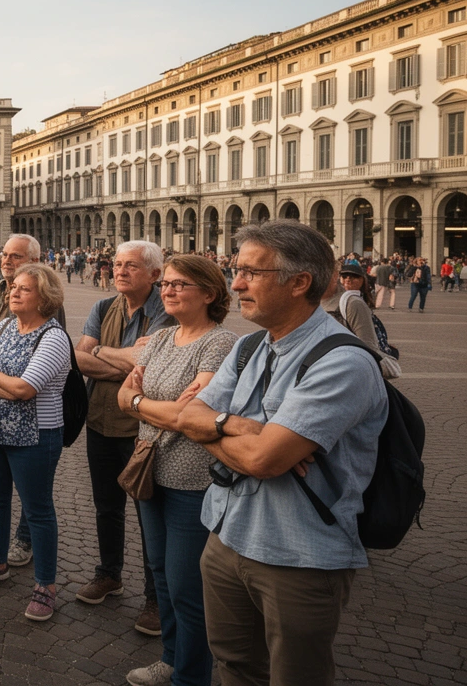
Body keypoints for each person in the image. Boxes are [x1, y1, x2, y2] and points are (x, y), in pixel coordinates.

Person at [175, 221, 386, 686]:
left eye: (251, 272)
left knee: (295, 676)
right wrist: (235, 425)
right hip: (226, 535)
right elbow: (187, 416)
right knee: (234, 666)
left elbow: (262, 461)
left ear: (299, 282)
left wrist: (219, 430)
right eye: (237, 270)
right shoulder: (249, 346)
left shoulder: (343, 361)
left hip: (298, 554)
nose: (236, 284)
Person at [116, 256, 239, 686]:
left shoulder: (220, 343)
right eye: (165, 283)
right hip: (150, 471)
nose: (167, 290)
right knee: (161, 573)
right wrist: (151, 405)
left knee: (188, 587)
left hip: (193, 481)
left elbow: (192, 415)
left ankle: (190, 677)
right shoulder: (161, 337)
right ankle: (171, 658)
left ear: (209, 293)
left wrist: (140, 403)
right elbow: (124, 396)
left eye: (179, 284)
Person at [74, 240, 174, 634]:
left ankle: (155, 596)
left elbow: (150, 364)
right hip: (100, 422)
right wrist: (125, 360)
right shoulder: (102, 307)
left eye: (130, 265)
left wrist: (101, 352)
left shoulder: (166, 312)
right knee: (106, 507)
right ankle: (109, 574)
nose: (119, 271)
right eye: (117, 264)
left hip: (143, 430)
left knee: (149, 514)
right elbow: (78, 357)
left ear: (154, 273)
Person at [0, 265, 71, 623]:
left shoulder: (54, 337)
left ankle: (46, 585)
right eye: (14, 287)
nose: (14, 292)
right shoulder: (4, 326)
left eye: (24, 289)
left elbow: (26, 389)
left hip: (36, 436)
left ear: (45, 297)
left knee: (38, 510)